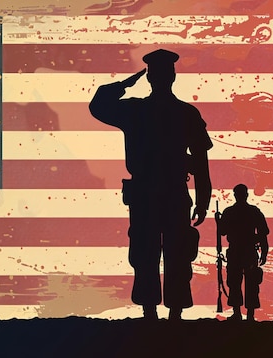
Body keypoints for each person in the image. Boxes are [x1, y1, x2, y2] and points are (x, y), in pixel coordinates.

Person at [89, 49, 213, 320]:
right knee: (158, 251)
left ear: (151, 77)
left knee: (164, 252)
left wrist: (124, 85)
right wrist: (203, 199)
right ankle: (167, 311)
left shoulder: (137, 110)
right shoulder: (183, 113)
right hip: (161, 193)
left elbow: (98, 105)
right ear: (172, 76)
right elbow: (202, 164)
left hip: (154, 193)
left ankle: (155, 311)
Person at [215, 184, 269, 321]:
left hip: (240, 251)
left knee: (238, 281)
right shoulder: (252, 211)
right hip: (245, 251)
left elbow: (222, 231)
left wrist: (219, 222)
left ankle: (240, 313)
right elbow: (263, 233)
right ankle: (245, 313)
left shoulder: (230, 212)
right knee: (239, 281)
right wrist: (264, 251)